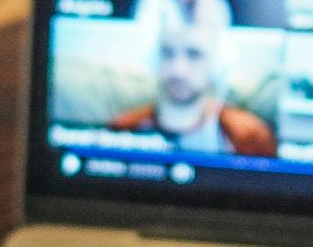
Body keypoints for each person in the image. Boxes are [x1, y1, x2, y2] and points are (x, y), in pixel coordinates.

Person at [108, 21, 276, 156]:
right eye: (167, 53)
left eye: (194, 54)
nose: (178, 69)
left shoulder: (250, 136)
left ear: (216, 64)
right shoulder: (124, 127)